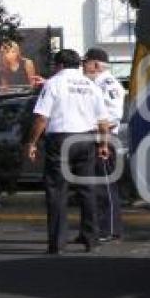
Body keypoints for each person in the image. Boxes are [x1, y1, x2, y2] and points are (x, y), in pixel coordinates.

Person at [26, 49, 111, 254]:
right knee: (87, 190)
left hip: (62, 139)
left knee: (57, 191)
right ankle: (91, 239)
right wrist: (104, 145)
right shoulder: (91, 86)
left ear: (60, 65)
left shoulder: (54, 83)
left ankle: (57, 243)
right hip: (86, 138)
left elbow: (41, 118)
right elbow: (103, 121)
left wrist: (31, 143)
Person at [82, 47, 126, 242]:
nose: (83, 66)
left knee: (104, 186)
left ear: (96, 64)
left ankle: (108, 229)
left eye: (86, 63)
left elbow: (113, 116)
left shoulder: (105, 83)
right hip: (101, 136)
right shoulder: (100, 83)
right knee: (99, 185)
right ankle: (101, 228)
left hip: (104, 138)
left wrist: (102, 138)